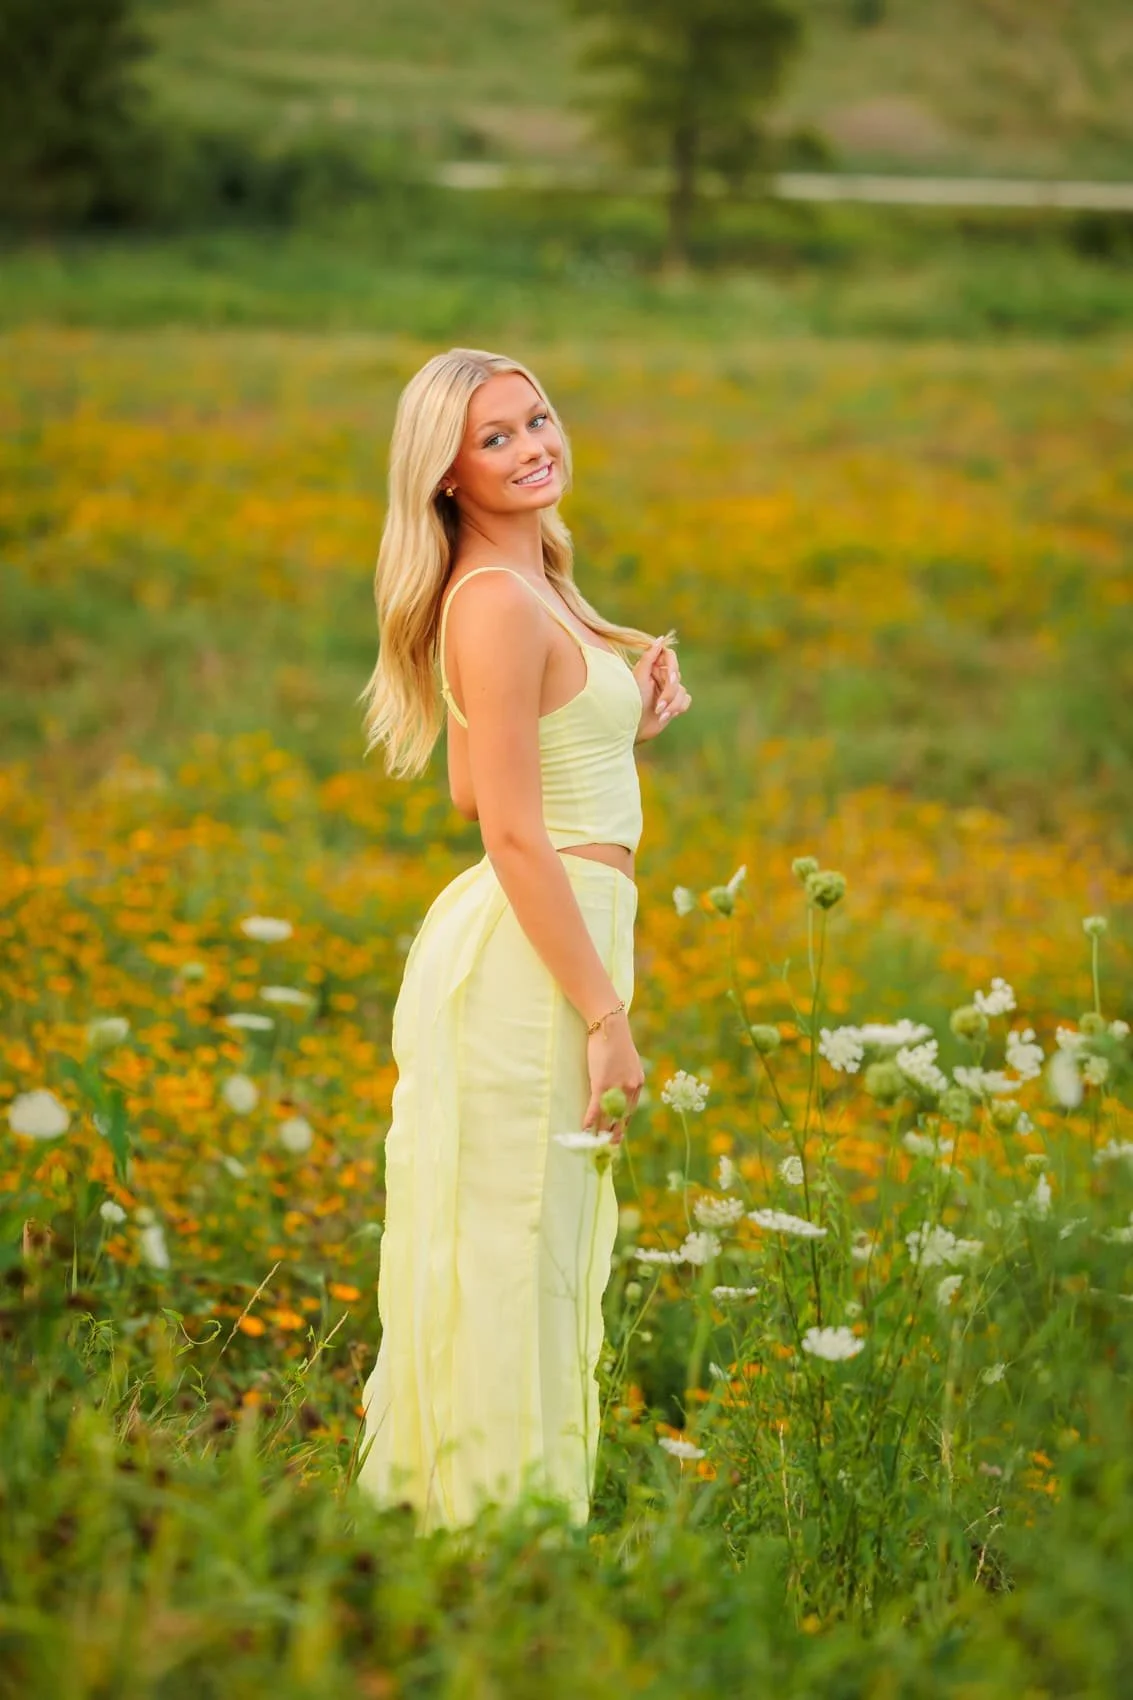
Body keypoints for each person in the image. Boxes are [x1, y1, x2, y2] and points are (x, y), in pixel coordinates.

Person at [353, 347, 690, 1535]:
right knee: (511, 1234)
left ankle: (502, 1517)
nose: (531, 445)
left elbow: (472, 775)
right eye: (493, 437)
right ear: (445, 474)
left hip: (558, 923)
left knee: (537, 1228)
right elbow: (504, 827)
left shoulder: (527, 586)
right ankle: (488, 1526)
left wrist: (615, 717)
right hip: (531, 952)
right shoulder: (493, 601)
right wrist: (607, 1017)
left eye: (536, 418)